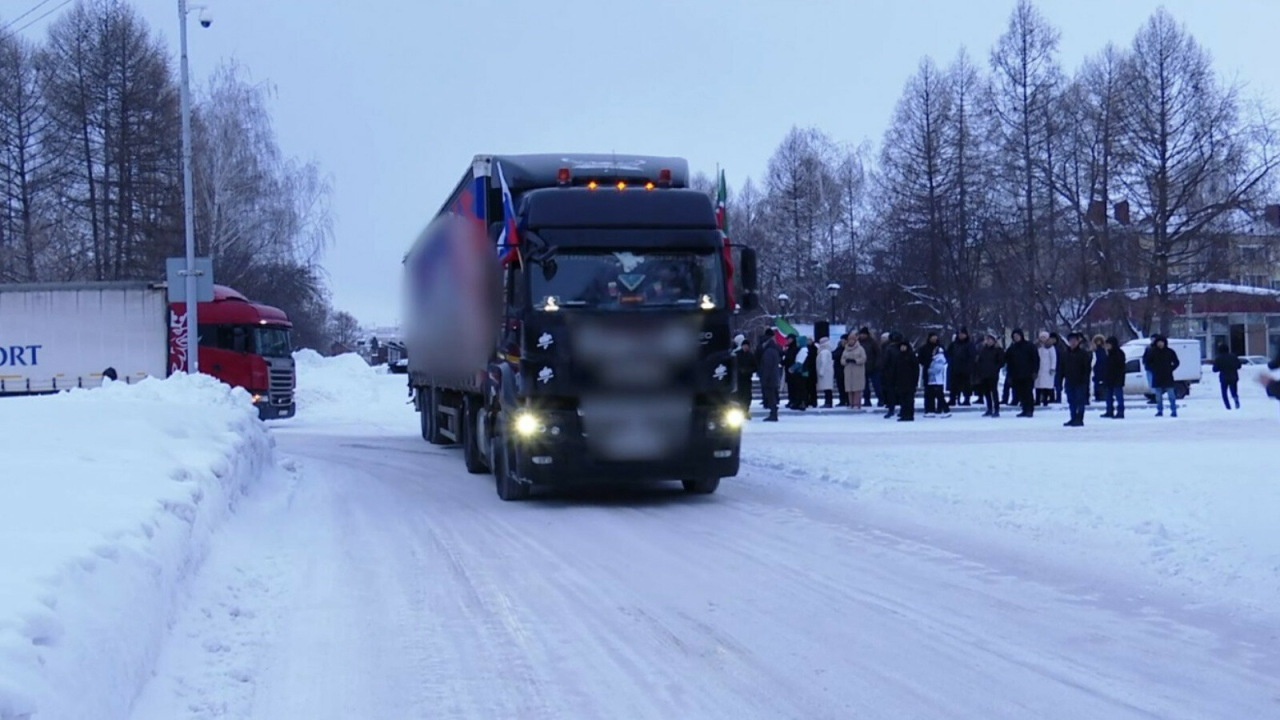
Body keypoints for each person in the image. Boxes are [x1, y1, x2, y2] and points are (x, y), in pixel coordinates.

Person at [1005, 329, 1040, 417]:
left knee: (1028, 392)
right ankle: (1024, 409)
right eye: (1014, 336)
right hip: (1016, 375)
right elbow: (1008, 362)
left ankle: (1030, 410)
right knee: (1020, 393)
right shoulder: (1012, 348)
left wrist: (1035, 371)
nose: (1016, 338)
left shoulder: (1029, 346)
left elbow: (1036, 359)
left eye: (1017, 336)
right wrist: (1010, 375)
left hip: (1028, 374)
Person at [1062, 332, 1093, 427]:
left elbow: (1087, 368)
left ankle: (1079, 419)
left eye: (1074, 341)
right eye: (1071, 341)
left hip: (1080, 381)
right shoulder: (1066, 354)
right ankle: (1073, 417)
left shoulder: (1083, 354)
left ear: (1078, 342)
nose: (1073, 343)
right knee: (1071, 401)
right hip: (1069, 381)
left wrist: (1085, 380)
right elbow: (1062, 367)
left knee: (1080, 401)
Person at [1146, 336, 1181, 417]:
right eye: (1158, 342)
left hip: (1168, 377)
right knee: (1158, 396)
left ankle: (1173, 411)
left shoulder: (1170, 352)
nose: (1160, 344)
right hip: (1157, 377)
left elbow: (1176, 362)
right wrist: (1153, 369)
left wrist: (1171, 368)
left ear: (1165, 343)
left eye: (1162, 342)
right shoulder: (1153, 352)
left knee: (1171, 396)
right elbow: (1147, 363)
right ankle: (1159, 410)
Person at [974, 333, 1005, 417]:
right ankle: (989, 408)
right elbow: (980, 360)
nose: (988, 341)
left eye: (989, 339)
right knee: (986, 392)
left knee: (994, 392)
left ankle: (996, 409)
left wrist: (995, 368)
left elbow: (1001, 361)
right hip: (984, 374)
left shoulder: (998, 350)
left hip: (993, 374)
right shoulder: (984, 349)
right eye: (987, 340)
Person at [946, 328, 976, 407]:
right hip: (955, 368)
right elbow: (948, 353)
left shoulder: (969, 344)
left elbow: (972, 356)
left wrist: (969, 366)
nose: (961, 335)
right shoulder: (954, 344)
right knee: (954, 385)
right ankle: (953, 399)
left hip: (965, 369)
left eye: (962, 334)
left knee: (966, 385)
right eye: (959, 334)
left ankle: (967, 399)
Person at [757, 333, 783, 422]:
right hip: (773, 377)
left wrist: (764, 378)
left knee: (771, 397)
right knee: (772, 396)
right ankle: (773, 413)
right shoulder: (774, 350)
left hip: (769, 378)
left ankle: (773, 414)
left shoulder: (768, 352)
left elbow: (767, 366)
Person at [895, 339, 920, 422]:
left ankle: (909, 414)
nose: (902, 348)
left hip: (910, 381)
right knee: (902, 399)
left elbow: (916, 369)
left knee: (909, 399)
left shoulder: (911, 356)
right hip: (900, 381)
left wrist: (915, 381)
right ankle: (903, 413)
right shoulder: (898, 356)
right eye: (901, 346)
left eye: (904, 346)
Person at [842, 332, 868, 410]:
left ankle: (857, 404)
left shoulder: (860, 349)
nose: (850, 341)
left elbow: (864, 358)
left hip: (857, 372)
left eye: (852, 340)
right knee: (849, 389)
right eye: (849, 340)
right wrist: (846, 361)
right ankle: (851, 404)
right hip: (848, 371)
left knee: (857, 389)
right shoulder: (846, 349)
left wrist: (856, 360)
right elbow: (842, 360)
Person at [1212, 342, 1241, 410]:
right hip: (1233, 376)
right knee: (1234, 391)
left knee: (1224, 393)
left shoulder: (1218, 358)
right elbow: (1239, 366)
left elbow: (1215, 369)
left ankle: (1228, 406)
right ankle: (1235, 399)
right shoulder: (1233, 356)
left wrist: (1220, 368)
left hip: (1224, 377)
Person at [1102, 336, 1126, 419]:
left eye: (1108, 344)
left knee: (1119, 396)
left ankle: (1120, 412)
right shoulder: (1107, 354)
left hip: (1117, 379)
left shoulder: (1119, 353)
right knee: (1108, 396)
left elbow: (1121, 367)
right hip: (1108, 379)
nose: (1107, 346)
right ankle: (1109, 411)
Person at [925, 345, 951, 418]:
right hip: (933, 381)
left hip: (937, 381)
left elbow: (937, 369)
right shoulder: (935, 359)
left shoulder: (939, 359)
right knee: (934, 396)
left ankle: (946, 410)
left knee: (940, 397)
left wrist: (929, 370)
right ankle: (932, 411)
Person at [881, 333, 902, 419]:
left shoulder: (888, 348)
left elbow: (884, 362)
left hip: (890, 373)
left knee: (891, 393)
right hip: (899, 372)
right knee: (899, 392)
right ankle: (901, 410)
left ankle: (891, 410)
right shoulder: (902, 347)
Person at [734, 339, 757, 418]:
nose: (745, 347)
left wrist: (748, 371)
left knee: (747, 396)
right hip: (739, 379)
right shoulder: (737, 355)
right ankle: (740, 410)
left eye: (747, 346)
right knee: (740, 395)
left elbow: (755, 366)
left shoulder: (751, 355)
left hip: (747, 378)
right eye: (744, 346)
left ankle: (746, 410)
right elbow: (734, 365)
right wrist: (739, 370)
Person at [860, 328, 882, 407]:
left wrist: (876, 365)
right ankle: (867, 400)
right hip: (863, 367)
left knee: (876, 385)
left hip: (873, 367)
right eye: (861, 334)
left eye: (863, 334)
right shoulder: (859, 343)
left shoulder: (873, 343)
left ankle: (881, 399)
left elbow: (878, 354)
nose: (862, 336)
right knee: (865, 386)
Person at [1035, 332, 1058, 407]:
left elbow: (1053, 358)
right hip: (1038, 369)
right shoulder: (1037, 347)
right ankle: (1037, 400)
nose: (1043, 339)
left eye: (1044, 337)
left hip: (1047, 369)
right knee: (1037, 386)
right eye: (1041, 337)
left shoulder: (1050, 347)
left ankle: (1045, 400)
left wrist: (1052, 368)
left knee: (1046, 386)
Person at [817, 336, 835, 408]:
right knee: (828, 388)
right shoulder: (827, 351)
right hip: (828, 372)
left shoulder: (824, 352)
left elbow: (824, 362)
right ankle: (828, 402)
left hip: (825, 373)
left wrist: (821, 371)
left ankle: (828, 402)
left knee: (827, 388)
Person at [1050, 332, 1067, 404]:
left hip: (1060, 367)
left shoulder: (1061, 346)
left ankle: (1058, 398)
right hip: (1053, 367)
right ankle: (1052, 397)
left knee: (1058, 384)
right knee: (1052, 383)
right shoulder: (1050, 347)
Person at [1091, 335, 1108, 403]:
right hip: (1096, 369)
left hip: (1104, 369)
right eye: (1097, 341)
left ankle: (1103, 395)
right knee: (1097, 384)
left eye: (1100, 341)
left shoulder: (1105, 350)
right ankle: (1097, 396)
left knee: (1104, 384)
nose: (1098, 342)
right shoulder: (1094, 351)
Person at [833, 335, 848, 406]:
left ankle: (847, 400)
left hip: (845, 369)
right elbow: (833, 355)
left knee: (845, 386)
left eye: (843, 340)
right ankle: (842, 400)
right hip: (838, 370)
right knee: (840, 386)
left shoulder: (847, 348)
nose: (842, 341)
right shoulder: (839, 347)